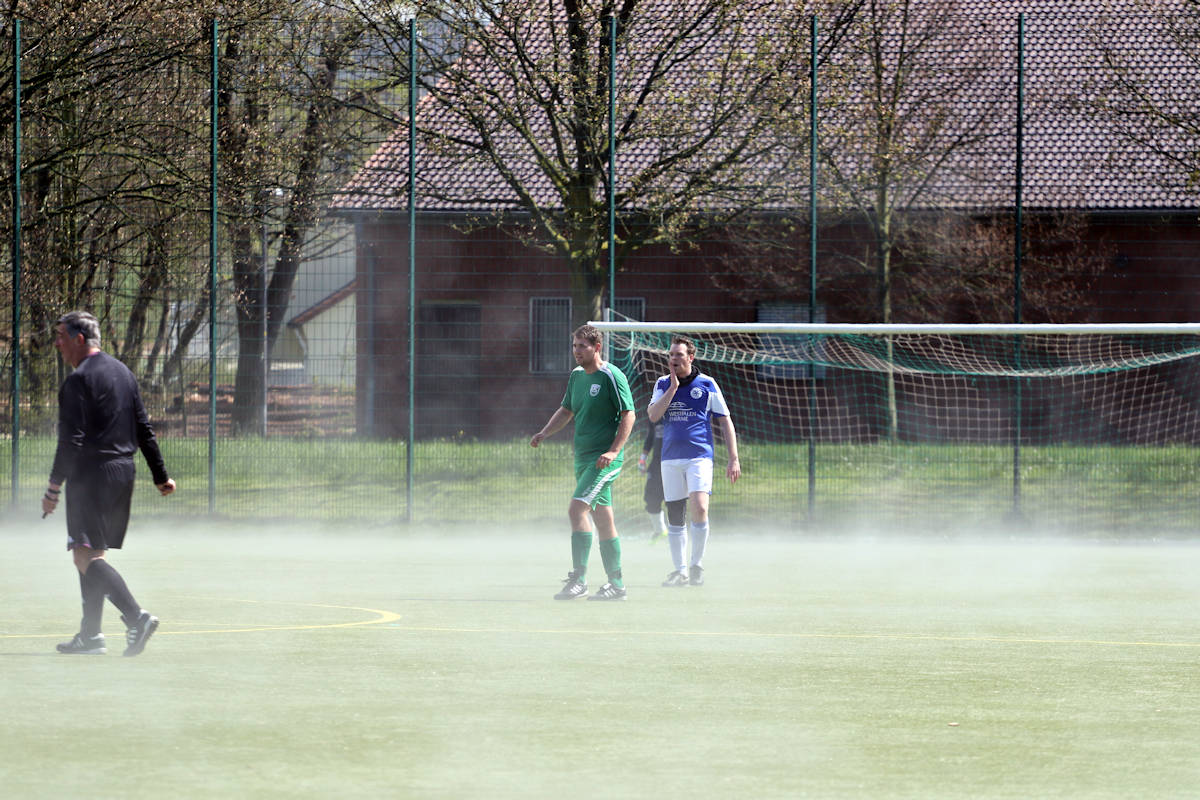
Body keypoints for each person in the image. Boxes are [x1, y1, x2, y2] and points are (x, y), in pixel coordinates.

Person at [43, 311, 176, 656]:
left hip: (92, 476)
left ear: (79, 339)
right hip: (122, 474)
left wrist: (53, 487)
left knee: (86, 559)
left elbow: (70, 440)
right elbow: (144, 429)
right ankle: (91, 636)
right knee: (88, 554)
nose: (56, 343)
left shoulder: (78, 380)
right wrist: (161, 475)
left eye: (60, 336)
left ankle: (137, 617)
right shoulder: (123, 373)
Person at [531, 324, 635, 601]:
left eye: (583, 346)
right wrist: (544, 432)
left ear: (597, 347)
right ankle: (617, 585)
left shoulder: (612, 375)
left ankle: (579, 580)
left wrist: (613, 451)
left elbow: (629, 415)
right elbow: (567, 409)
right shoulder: (577, 376)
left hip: (604, 461)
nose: (577, 352)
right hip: (583, 458)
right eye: (574, 346)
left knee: (576, 510)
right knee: (603, 518)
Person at [647, 336, 740, 587]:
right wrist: (673, 389)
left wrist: (733, 458)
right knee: (675, 514)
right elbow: (654, 415)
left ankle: (696, 565)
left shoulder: (707, 384)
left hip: (699, 456)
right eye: (671, 355)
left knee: (699, 507)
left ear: (691, 357)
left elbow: (725, 420)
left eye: (679, 354)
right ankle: (680, 571)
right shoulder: (662, 383)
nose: (674, 359)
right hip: (670, 459)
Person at [638, 416, 667, 542]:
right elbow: (651, 436)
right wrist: (642, 458)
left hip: (676, 462)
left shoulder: (682, 409)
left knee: (675, 502)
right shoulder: (655, 411)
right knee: (650, 498)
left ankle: (676, 536)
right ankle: (660, 530)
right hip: (656, 464)